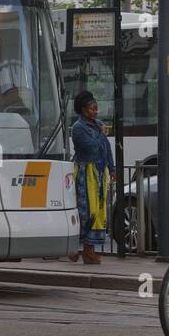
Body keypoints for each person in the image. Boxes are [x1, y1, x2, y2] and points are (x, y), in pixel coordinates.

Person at [70, 91, 115, 265]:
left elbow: (106, 147)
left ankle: (88, 250)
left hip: (99, 172)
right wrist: (101, 133)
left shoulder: (97, 125)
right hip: (84, 172)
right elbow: (91, 147)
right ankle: (77, 248)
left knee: (99, 212)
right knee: (87, 212)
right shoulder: (78, 128)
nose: (96, 111)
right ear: (83, 110)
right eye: (92, 108)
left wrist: (112, 168)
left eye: (96, 108)